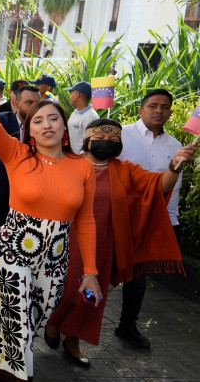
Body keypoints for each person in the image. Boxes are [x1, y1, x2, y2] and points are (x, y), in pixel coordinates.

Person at [0, 51, 100, 382]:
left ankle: (8, 339)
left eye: (53, 117)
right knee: (21, 332)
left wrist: (90, 269)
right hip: (13, 253)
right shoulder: (17, 155)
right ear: (29, 130)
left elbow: (86, 220)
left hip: (55, 258)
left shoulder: (83, 166)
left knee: (34, 325)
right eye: (37, 120)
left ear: (65, 124)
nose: (46, 124)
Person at [46, 118, 196, 366]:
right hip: (66, 241)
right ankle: (53, 322)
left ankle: (73, 339)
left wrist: (175, 165)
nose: (108, 143)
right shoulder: (67, 164)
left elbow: (159, 187)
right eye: (102, 138)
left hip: (104, 245)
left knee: (91, 295)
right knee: (65, 289)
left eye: (114, 139)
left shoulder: (125, 169)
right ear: (88, 140)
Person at [115, 89, 184, 348]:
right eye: (153, 105)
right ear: (140, 110)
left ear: (170, 112)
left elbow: (173, 187)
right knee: (98, 270)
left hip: (149, 220)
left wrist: (170, 219)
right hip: (117, 216)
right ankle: (74, 325)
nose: (159, 111)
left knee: (139, 275)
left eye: (165, 107)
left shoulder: (175, 146)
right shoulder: (120, 134)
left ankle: (127, 325)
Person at [0, 85, 41, 288]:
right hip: (2, 187)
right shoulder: (2, 121)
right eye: (29, 102)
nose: (34, 107)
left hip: (30, 192)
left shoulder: (42, 126)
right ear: (16, 103)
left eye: (38, 102)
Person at [66, 81, 100, 154]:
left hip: (80, 158)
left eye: (71, 93)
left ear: (77, 95)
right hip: (72, 155)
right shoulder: (75, 111)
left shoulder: (91, 117)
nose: (69, 97)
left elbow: (90, 143)